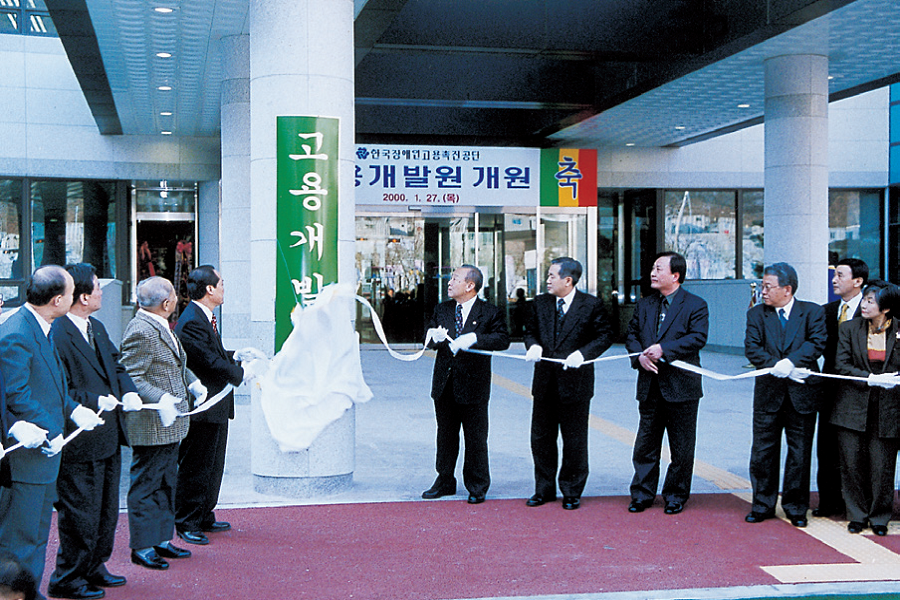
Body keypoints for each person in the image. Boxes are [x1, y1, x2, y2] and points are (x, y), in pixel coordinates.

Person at [0, 266, 104, 589]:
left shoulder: (41, 326)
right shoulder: (17, 332)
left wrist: (75, 412)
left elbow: (55, 387)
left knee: (38, 533)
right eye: (72, 293)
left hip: (44, 457)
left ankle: (28, 591)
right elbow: (17, 394)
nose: (76, 299)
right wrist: (51, 428)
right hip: (27, 459)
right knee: (20, 538)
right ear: (57, 300)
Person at [47, 264, 142, 600]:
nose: (103, 292)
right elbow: (60, 387)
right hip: (80, 439)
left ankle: (94, 565)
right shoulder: (57, 333)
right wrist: (93, 399)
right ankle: (68, 577)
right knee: (79, 514)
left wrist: (129, 390)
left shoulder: (96, 327)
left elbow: (117, 365)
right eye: (98, 287)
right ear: (84, 296)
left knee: (105, 510)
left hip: (108, 435)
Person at [120, 277, 202, 570]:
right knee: (147, 485)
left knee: (166, 481)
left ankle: (161, 539)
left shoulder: (158, 324)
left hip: (170, 421)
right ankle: (142, 546)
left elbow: (176, 363)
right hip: (152, 421)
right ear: (166, 303)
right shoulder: (141, 330)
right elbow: (132, 376)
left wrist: (193, 383)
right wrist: (162, 397)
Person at [523, 257, 612, 510]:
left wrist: (583, 354)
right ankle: (544, 489)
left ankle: (572, 490)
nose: (547, 280)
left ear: (568, 280)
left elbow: (604, 335)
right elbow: (530, 331)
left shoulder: (591, 305)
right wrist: (534, 345)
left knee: (574, 440)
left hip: (576, 383)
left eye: (552, 276)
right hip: (544, 382)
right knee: (541, 439)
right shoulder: (540, 303)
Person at [625, 251, 709, 515]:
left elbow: (698, 337)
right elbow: (631, 335)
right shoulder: (645, 304)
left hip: (681, 388)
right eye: (653, 267)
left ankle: (675, 494)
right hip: (649, 385)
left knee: (682, 447)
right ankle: (642, 494)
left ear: (675, 275)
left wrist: (664, 349)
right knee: (645, 444)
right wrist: (639, 356)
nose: (653, 272)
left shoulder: (696, 305)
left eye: (659, 268)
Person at [744, 262, 826, 527]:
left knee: (799, 453)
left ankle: (795, 506)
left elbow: (817, 343)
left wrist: (791, 364)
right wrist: (774, 367)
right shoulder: (757, 314)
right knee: (762, 452)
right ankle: (762, 504)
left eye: (768, 286)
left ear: (787, 289)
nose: (763, 291)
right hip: (768, 394)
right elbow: (752, 349)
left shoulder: (812, 312)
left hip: (802, 395)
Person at [421, 265, 509, 504]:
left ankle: (477, 485)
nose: (449, 283)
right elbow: (427, 338)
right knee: (446, 435)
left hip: (474, 385)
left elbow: (502, 339)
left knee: (476, 437)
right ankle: (445, 480)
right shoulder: (443, 309)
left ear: (470, 285)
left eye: (455, 279)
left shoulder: (489, 312)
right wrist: (433, 338)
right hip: (444, 383)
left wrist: (476, 338)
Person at [173, 266, 246, 545]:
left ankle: (204, 513)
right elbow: (207, 360)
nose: (224, 288)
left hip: (215, 405)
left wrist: (235, 355)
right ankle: (187, 520)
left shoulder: (205, 317)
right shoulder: (191, 320)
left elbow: (214, 353)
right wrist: (240, 374)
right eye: (222, 284)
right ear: (210, 290)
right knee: (196, 465)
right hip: (203, 406)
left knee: (213, 464)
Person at [831, 280, 900, 536]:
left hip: (889, 409)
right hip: (852, 406)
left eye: (871, 301)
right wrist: (868, 378)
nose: (864, 304)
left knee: (882, 466)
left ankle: (880, 517)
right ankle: (857, 515)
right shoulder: (849, 329)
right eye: (865, 299)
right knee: (851, 464)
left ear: (887, 307)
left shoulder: (899, 331)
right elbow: (841, 364)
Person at [816, 257, 868, 517]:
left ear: (858, 281)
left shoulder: (872, 312)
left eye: (840, 275)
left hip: (860, 391)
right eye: (834, 275)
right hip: (829, 390)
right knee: (826, 448)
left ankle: (857, 505)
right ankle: (828, 502)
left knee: (857, 450)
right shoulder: (826, 312)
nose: (834, 280)